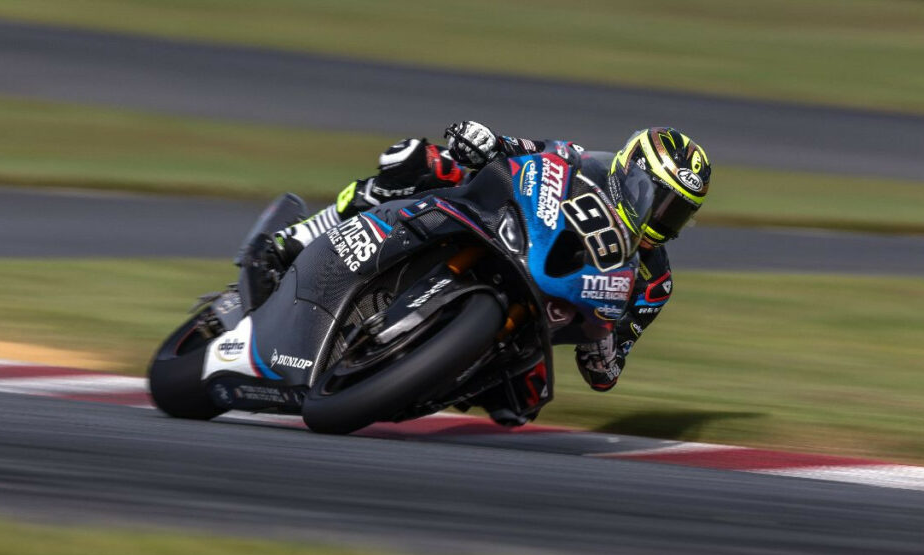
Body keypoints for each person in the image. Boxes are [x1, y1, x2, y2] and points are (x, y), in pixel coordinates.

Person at [245, 121, 711, 398]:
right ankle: (299, 236)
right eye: (658, 200)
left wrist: (603, 337)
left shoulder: (655, 282)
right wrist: (483, 139)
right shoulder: (580, 161)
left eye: (677, 212)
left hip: (529, 332)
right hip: (505, 238)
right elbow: (522, 150)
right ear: (630, 173)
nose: (662, 218)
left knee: (524, 398)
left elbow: (606, 377)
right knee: (418, 161)